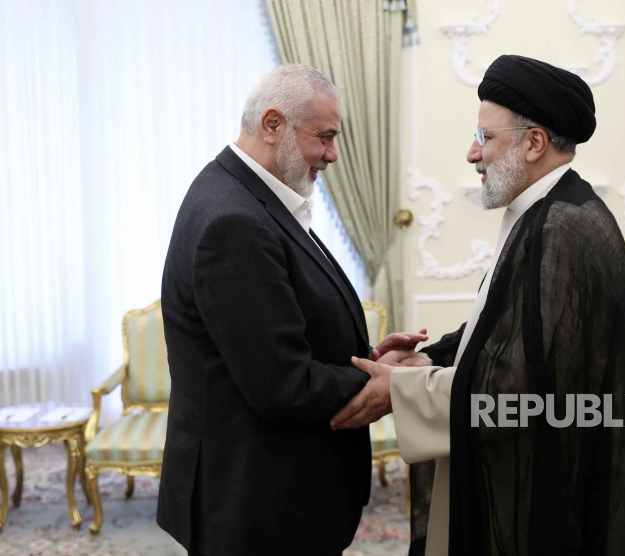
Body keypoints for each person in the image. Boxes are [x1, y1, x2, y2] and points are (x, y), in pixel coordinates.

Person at [331, 55, 625, 555]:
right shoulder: (547, 211)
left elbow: (517, 386)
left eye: (486, 137)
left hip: (550, 494)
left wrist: (402, 389)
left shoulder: (562, 226)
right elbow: (509, 325)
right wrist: (430, 357)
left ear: (534, 143)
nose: (473, 153)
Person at [158, 64, 426, 556]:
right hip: (257, 505)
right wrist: (378, 379)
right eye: (324, 137)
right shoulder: (235, 221)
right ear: (273, 124)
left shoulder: (252, 196)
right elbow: (281, 384)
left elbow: (276, 327)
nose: (333, 153)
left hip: (272, 493)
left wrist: (361, 354)